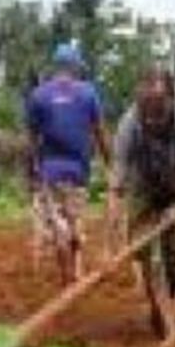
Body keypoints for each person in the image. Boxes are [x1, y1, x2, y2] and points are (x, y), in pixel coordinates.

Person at [107, 65, 175, 347]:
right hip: (144, 184)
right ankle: (159, 310)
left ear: (172, 99)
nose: (151, 122)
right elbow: (116, 188)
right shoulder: (128, 126)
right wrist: (111, 244)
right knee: (142, 246)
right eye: (145, 115)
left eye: (158, 114)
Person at [25, 44, 111, 286]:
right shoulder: (88, 93)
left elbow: (31, 141)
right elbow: (100, 132)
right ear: (75, 67)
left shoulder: (38, 95)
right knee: (75, 221)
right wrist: (111, 165)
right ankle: (76, 269)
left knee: (57, 225)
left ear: (56, 67)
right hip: (79, 172)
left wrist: (29, 174)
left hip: (49, 171)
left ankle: (68, 277)